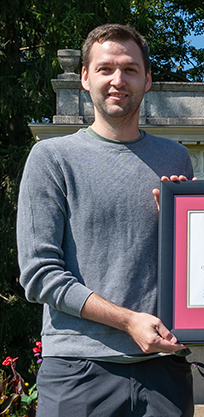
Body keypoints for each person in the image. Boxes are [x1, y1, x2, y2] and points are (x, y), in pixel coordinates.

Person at [17, 24, 194, 417]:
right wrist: (128, 321)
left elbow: (193, 266)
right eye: (105, 69)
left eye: (130, 69)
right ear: (84, 77)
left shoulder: (175, 159)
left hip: (164, 369)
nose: (118, 80)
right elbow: (39, 274)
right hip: (78, 371)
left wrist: (195, 227)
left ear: (148, 79)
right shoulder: (51, 158)